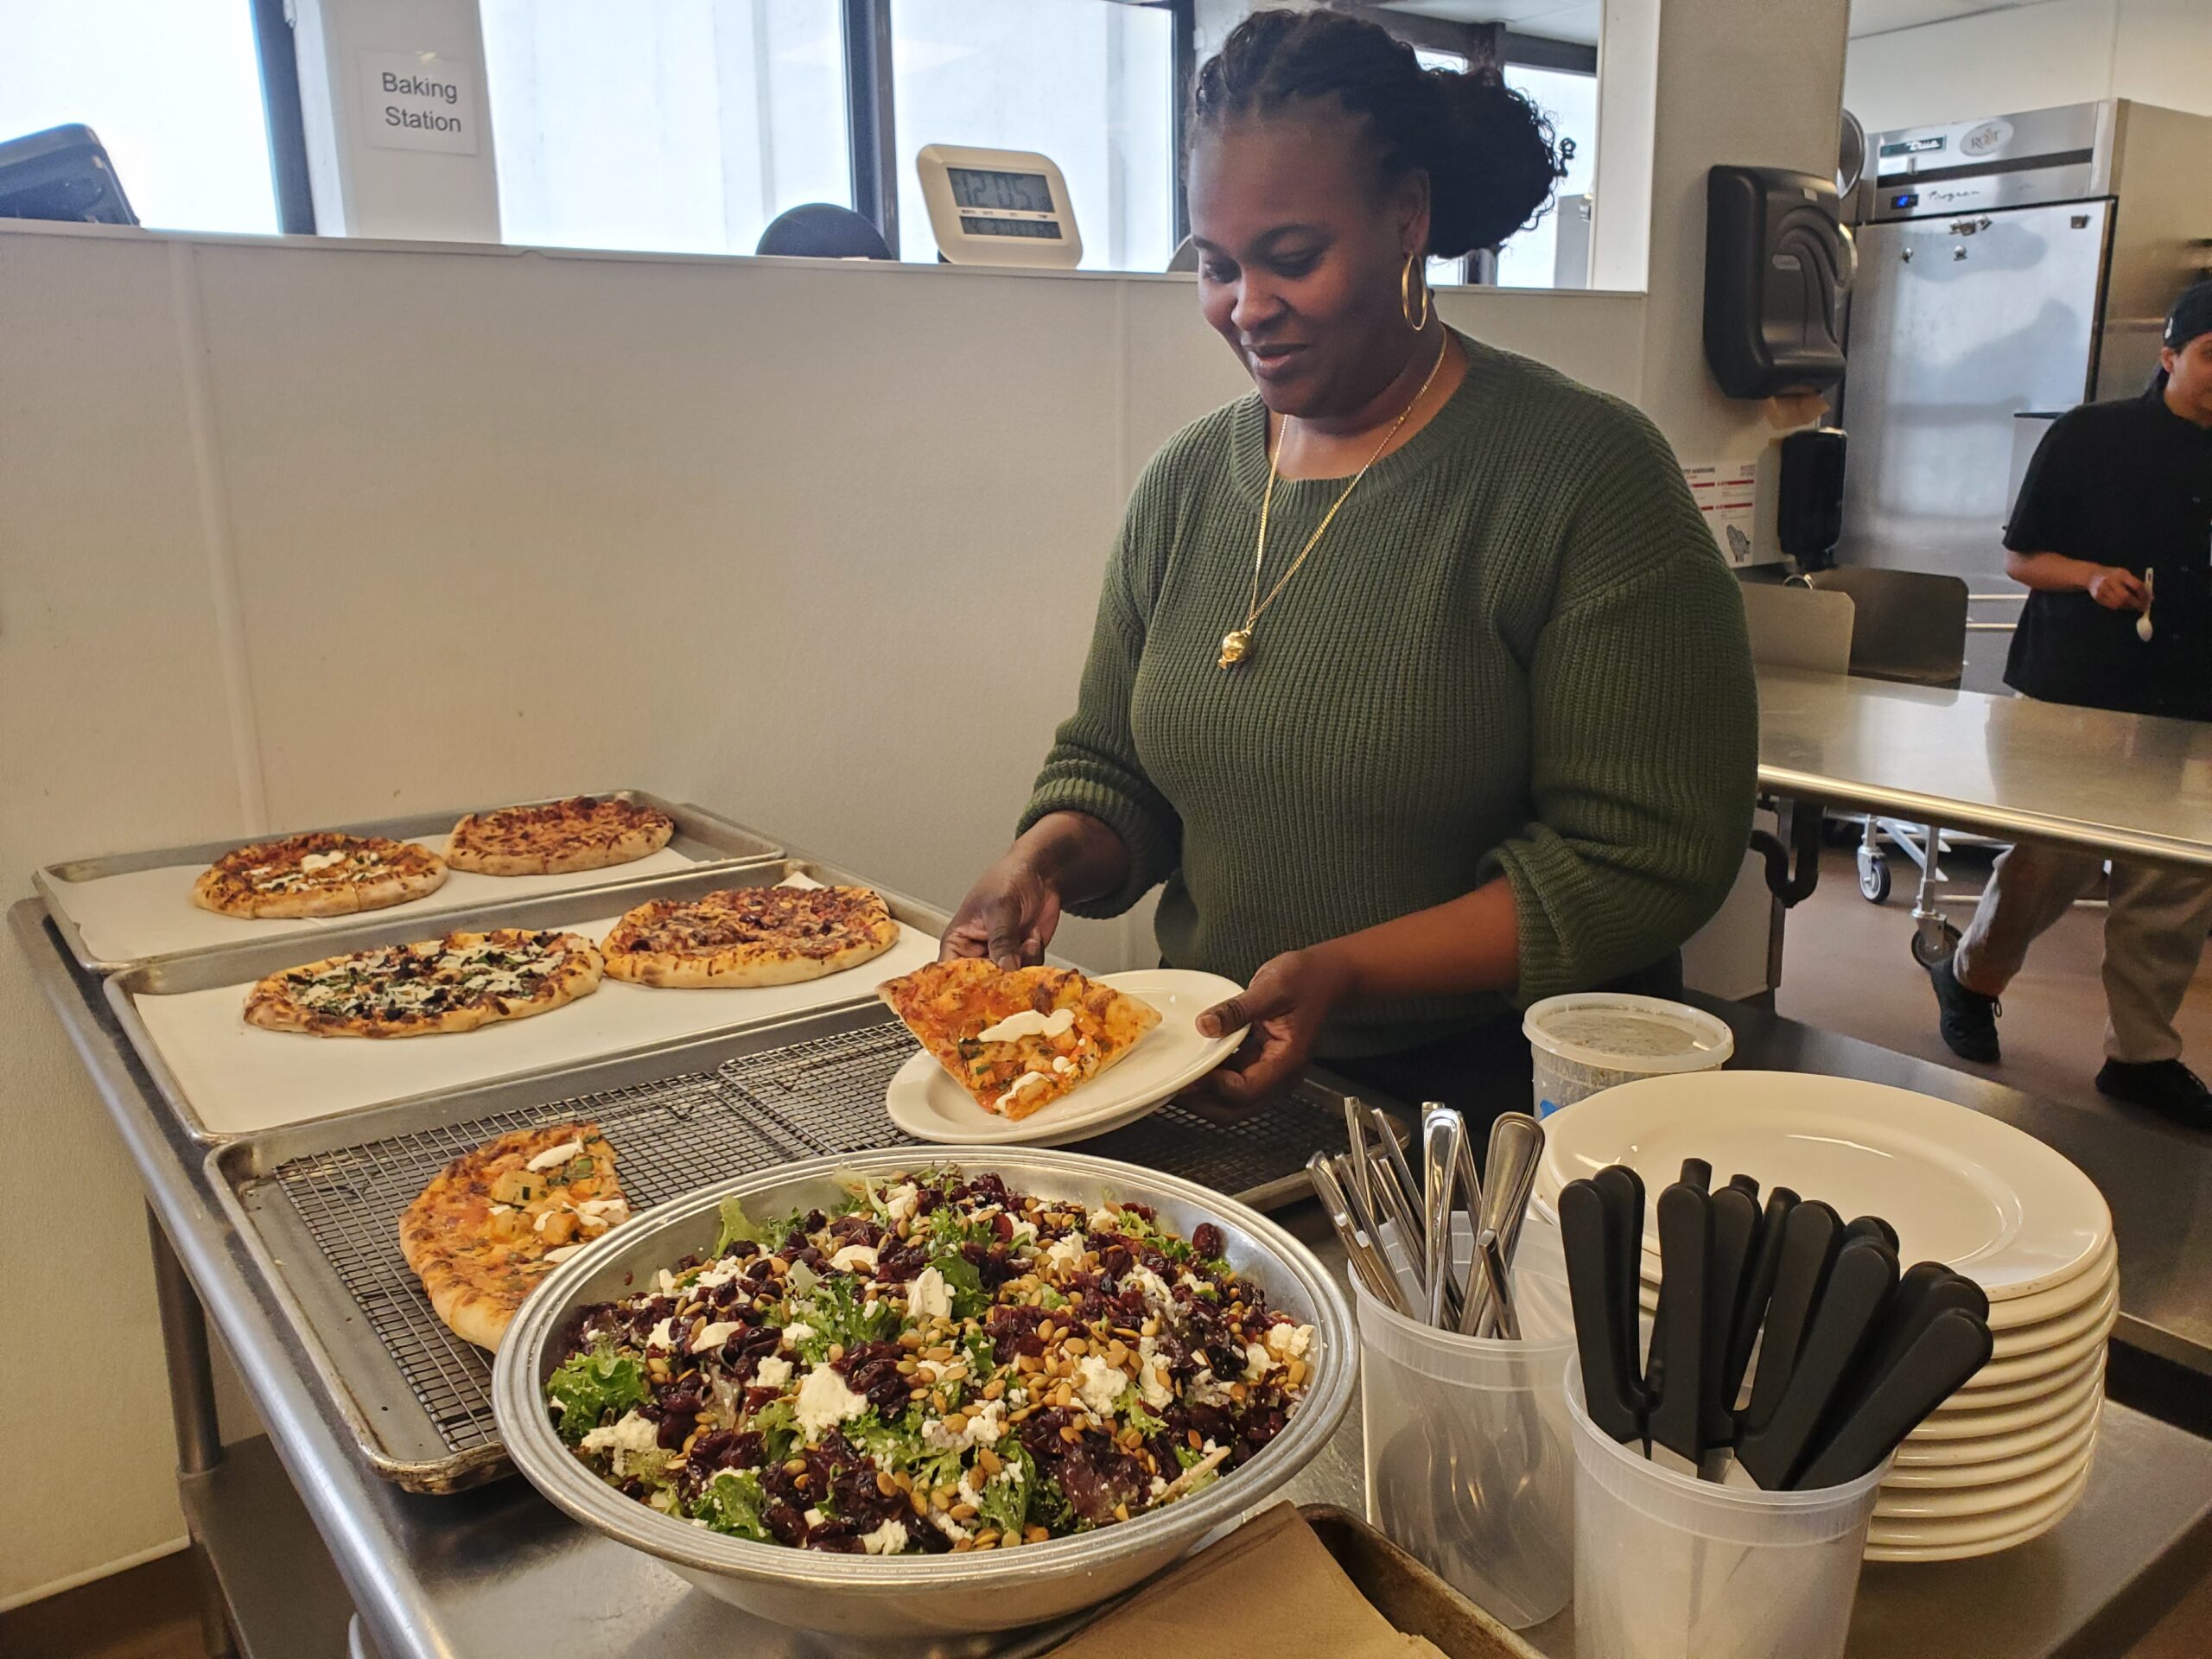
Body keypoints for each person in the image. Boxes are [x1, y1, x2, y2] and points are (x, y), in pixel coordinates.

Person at [938, 10, 1757, 1140]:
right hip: (1212, 1076)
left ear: (1406, 219)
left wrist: (1349, 971)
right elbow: (1118, 768)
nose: (1246, 307)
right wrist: (1045, 858)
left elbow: (1646, 860)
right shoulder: (1186, 485)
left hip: (1489, 1112)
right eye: (1216, 266)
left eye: (1291, 258)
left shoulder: (1581, 475)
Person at [1929, 282, 2212, 1130]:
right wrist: (2089, 578)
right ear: (2169, 356)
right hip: (2077, 687)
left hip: (2192, 697)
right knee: (2047, 864)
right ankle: (1971, 978)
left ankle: (2141, 1056)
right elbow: (2020, 560)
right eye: (2210, 357)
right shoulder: (2090, 436)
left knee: (2174, 881)